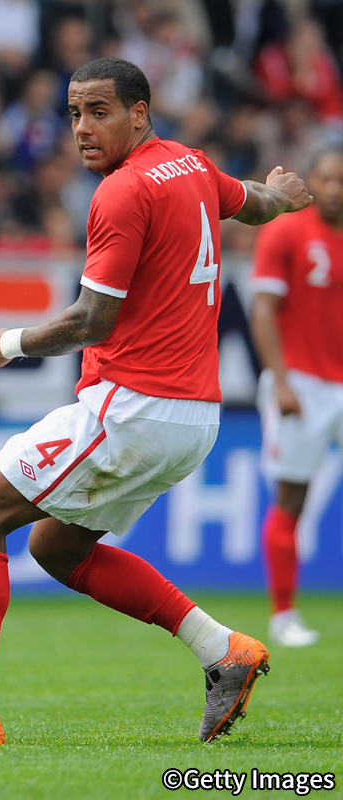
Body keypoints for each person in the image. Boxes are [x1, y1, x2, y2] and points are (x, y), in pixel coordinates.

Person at [0, 57, 312, 748]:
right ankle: (222, 651)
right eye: (74, 114)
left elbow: (93, 321)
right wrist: (286, 194)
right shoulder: (192, 164)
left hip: (132, 408)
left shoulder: (121, 192)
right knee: (56, 546)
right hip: (192, 417)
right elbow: (257, 204)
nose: (83, 128)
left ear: (139, 113)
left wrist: (12, 343)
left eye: (100, 112)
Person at [250, 144, 343, 648]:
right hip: (301, 383)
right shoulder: (287, 229)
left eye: (341, 181)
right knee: (292, 498)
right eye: (326, 178)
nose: (332, 189)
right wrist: (280, 379)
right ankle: (283, 615)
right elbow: (263, 311)